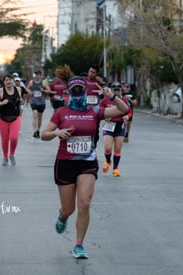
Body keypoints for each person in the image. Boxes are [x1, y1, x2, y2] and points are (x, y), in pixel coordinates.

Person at [41, 75, 128, 259]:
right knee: (69, 208)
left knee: (85, 204)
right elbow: (44, 134)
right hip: (65, 163)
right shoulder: (61, 113)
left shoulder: (95, 111)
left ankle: (79, 244)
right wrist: (57, 132)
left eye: (81, 89)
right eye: (75, 90)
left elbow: (124, 109)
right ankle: (63, 216)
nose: (79, 93)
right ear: (70, 92)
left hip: (87, 163)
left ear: (86, 91)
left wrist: (110, 96)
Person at [99, 82, 132, 176]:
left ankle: (115, 169)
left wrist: (127, 117)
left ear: (121, 90)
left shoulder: (124, 100)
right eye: (115, 90)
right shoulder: (105, 100)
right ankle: (108, 161)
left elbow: (129, 112)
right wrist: (105, 117)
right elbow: (100, 111)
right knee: (108, 148)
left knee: (117, 150)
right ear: (111, 90)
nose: (116, 92)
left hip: (119, 127)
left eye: (118, 90)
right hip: (109, 126)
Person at [0, 74, 23, 166]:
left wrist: (21, 101)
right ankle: (5, 157)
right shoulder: (0, 91)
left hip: (15, 117)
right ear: (4, 82)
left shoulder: (18, 89)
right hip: (3, 118)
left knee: (14, 137)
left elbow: (20, 100)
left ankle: (12, 154)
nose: (8, 81)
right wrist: (2, 103)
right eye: (6, 80)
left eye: (10, 79)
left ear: (13, 80)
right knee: (5, 139)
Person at [27, 70, 51, 138]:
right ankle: (35, 130)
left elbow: (49, 90)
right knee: (35, 115)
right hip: (33, 101)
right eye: (36, 74)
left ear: (41, 75)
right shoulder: (31, 82)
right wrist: (30, 92)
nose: (37, 76)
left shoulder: (44, 82)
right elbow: (27, 88)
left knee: (39, 118)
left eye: (38, 74)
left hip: (41, 102)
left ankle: (38, 131)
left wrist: (43, 90)